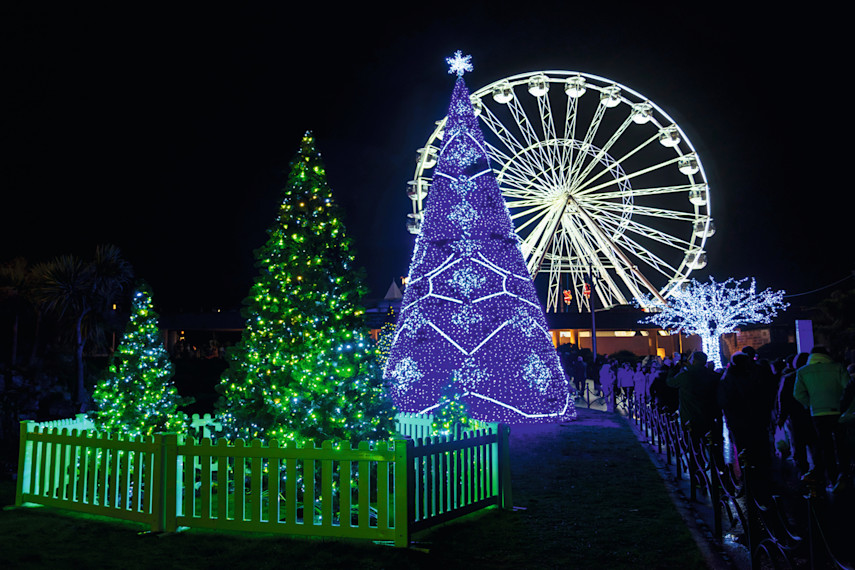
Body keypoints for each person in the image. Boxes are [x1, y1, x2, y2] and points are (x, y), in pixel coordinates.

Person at [793, 346, 851, 491]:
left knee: (826, 446)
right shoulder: (838, 368)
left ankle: (831, 477)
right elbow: (848, 388)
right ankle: (844, 474)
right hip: (839, 411)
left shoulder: (803, 371)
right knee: (841, 444)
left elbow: (798, 394)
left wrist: (810, 404)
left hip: (818, 413)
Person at [667, 351, 721, 449]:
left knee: (693, 443)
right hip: (708, 414)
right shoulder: (712, 375)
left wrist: (674, 368)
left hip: (690, 414)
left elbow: (671, 382)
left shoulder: (686, 375)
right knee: (709, 442)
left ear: (694, 361)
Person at [776, 353, 818, 477]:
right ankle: (818, 470)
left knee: (798, 445)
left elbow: (783, 399)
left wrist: (781, 417)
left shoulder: (789, 378)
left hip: (795, 416)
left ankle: (803, 472)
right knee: (815, 443)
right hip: (813, 414)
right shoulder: (814, 377)